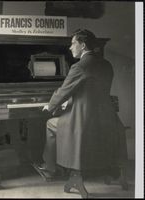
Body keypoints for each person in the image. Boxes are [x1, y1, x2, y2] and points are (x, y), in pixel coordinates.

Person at [37, 29, 128, 180]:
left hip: (83, 121)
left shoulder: (80, 66)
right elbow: (92, 91)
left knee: (50, 124)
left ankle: (51, 168)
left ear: (83, 45)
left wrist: (51, 105)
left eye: (73, 43)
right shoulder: (106, 64)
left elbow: (63, 91)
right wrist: (72, 100)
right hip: (105, 119)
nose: (70, 47)